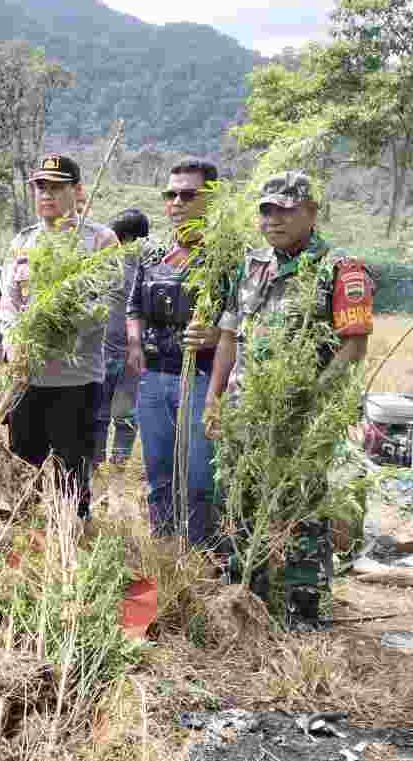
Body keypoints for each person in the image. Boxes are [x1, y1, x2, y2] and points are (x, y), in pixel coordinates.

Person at [205, 171, 373, 627]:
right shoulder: (252, 264)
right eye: (266, 211)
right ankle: (246, 600)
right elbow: (229, 337)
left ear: (311, 213)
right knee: (241, 503)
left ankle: (304, 611)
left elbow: (352, 348)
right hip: (245, 411)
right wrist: (213, 397)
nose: (273, 220)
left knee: (301, 509)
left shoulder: (341, 269)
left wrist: (306, 400)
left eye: (285, 210)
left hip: (301, 417)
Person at [0, 154, 121, 519]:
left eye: (56, 187)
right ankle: (27, 538)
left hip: (75, 377)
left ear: (77, 191)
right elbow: (9, 300)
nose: (46, 195)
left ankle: (74, 539)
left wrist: (53, 328)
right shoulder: (24, 241)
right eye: (41, 187)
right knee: (23, 465)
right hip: (25, 377)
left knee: (72, 468)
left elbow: (106, 303)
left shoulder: (100, 240)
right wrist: (11, 340)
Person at [126, 159, 222, 544]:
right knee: (159, 473)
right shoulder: (153, 255)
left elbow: (244, 319)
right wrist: (134, 342)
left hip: (201, 379)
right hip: (153, 378)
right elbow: (133, 306)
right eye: (171, 194)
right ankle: (164, 551)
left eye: (188, 194)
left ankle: (199, 556)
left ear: (211, 198)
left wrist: (217, 334)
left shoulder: (227, 256)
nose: (177, 202)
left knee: (198, 478)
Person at [94, 207, 148, 469]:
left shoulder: (109, 265)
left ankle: (96, 462)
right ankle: (119, 463)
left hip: (107, 349)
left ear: (123, 237)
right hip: (135, 352)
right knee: (126, 414)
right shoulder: (151, 266)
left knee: (101, 412)